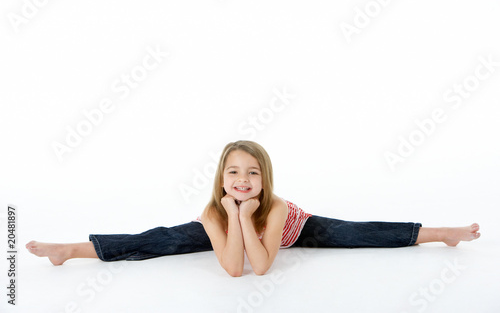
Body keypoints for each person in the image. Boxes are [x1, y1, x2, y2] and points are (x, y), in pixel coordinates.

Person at [26, 140, 481, 277]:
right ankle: (69, 248)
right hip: (226, 223)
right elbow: (233, 269)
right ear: (221, 179)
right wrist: (230, 218)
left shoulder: (279, 207)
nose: (242, 181)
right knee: (159, 240)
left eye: (252, 174)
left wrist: (246, 216)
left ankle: (441, 233)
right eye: (233, 173)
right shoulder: (210, 213)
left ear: (265, 179)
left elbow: (259, 268)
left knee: (354, 232)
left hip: (292, 230)